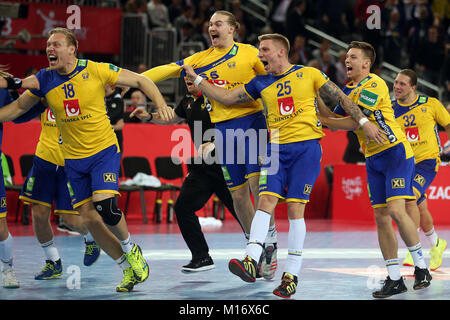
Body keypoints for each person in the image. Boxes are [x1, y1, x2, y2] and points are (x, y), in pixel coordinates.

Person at [182, 34, 385, 299]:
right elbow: (228, 97)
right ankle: (251, 258)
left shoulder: (309, 73)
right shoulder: (260, 82)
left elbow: (343, 100)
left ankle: (292, 275)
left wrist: (363, 123)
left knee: (294, 208)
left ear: (280, 52)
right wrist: (197, 79)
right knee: (265, 199)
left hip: (306, 148)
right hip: (275, 148)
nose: (260, 55)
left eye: (264, 50)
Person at [0, 27, 174, 292]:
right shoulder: (45, 78)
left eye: (56, 44)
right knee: (90, 220)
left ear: (72, 49)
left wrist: (160, 103)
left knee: (105, 207)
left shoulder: (95, 69)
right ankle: (127, 269)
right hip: (73, 159)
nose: (49, 48)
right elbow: (18, 107)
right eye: (47, 44)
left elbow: (141, 80)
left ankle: (131, 249)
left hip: (103, 151)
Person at [141, 10, 279, 279]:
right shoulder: (200, 60)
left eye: (218, 24)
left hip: (253, 125)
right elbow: (168, 69)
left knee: (257, 189)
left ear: (232, 29)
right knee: (238, 195)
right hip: (224, 130)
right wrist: (133, 79)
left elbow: (272, 81)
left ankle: (270, 244)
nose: (211, 27)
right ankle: (255, 248)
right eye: (210, 24)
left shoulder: (250, 53)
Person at [318, 41, 432, 298]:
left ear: (366, 64)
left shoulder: (374, 84)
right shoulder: (349, 90)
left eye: (353, 57)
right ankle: (394, 279)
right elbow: (332, 120)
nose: (347, 60)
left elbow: (354, 120)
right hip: (372, 158)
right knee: (381, 217)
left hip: (395, 153)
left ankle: (421, 268)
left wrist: (327, 118)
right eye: (347, 56)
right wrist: (313, 93)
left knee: (395, 209)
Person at [131, 76, 245, 272]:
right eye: (186, 78)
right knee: (183, 207)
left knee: (242, 212)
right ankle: (201, 257)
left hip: (228, 163)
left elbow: (237, 126)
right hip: (204, 166)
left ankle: (261, 253)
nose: (187, 80)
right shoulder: (187, 102)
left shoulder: (220, 98)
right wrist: (149, 117)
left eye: (192, 76)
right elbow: (171, 119)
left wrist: (216, 143)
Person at [18, 102, 101, 280]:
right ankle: (53, 262)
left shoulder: (78, 90)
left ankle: (91, 238)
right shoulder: (43, 91)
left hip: (69, 164)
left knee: (71, 221)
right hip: (44, 161)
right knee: (39, 215)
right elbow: (20, 105)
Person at [391, 69, 450, 271]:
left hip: (427, 161)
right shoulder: (390, 110)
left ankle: (412, 246)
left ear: (413, 87)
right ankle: (436, 244)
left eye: (403, 84)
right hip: (404, 164)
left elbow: (448, 124)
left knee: (410, 200)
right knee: (420, 206)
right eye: (396, 82)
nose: (397, 87)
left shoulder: (430, 104)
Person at [0, 67, 43, 288]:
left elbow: (17, 112)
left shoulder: (3, 83)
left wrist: (41, 102)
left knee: (0, 228)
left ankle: (7, 269)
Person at [105, 85, 124, 154]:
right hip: (104, 138)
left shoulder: (117, 98)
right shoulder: (103, 98)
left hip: (115, 136)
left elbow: (114, 115)